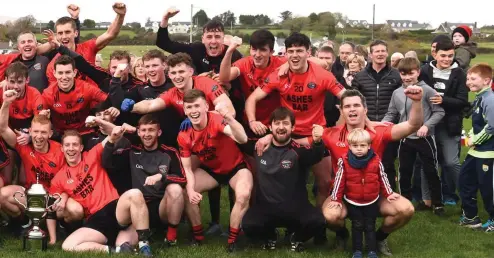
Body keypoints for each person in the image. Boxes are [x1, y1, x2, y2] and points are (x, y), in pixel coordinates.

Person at [321, 89, 421, 256]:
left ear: (365, 110)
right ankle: (342, 235)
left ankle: (379, 237)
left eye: (356, 105)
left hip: (374, 192)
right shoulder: (332, 134)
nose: (352, 109)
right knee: (330, 216)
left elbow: (413, 125)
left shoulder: (379, 131)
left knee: (406, 210)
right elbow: (303, 140)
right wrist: (268, 138)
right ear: (342, 111)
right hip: (343, 194)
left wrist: (417, 102)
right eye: (347, 106)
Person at [49, 128, 152, 256]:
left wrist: (110, 129)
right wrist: (53, 237)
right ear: (62, 148)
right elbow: (52, 210)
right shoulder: (58, 179)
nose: (71, 148)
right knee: (68, 245)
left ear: (81, 147)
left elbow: (111, 137)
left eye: (75, 144)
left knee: (135, 193)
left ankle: (144, 246)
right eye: (67, 145)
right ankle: (116, 250)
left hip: (115, 209)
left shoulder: (91, 155)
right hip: (95, 221)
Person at [0, 90, 83, 245]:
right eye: (36, 131)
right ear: (30, 132)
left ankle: (63, 227)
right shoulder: (24, 146)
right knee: (2, 195)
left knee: (75, 211)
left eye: (43, 132)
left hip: (55, 197)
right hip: (32, 196)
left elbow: (71, 176)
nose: (39, 136)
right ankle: (23, 223)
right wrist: (6, 103)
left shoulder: (61, 150)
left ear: (50, 133)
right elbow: (3, 128)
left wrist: (62, 199)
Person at [241, 107, 326, 252]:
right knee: (248, 225)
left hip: (296, 208)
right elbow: (239, 139)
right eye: (277, 123)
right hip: (266, 208)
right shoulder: (259, 147)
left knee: (318, 222)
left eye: (285, 124)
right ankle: (270, 236)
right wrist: (225, 118)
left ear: (292, 127)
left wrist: (317, 142)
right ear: (270, 127)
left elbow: (316, 156)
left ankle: (296, 238)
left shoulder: (298, 150)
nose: (281, 127)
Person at [178, 89, 252, 252]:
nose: (193, 111)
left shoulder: (216, 120)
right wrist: (191, 190)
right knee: (184, 191)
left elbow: (242, 138)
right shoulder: (184, 134)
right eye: (189, 107)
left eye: (197, 106)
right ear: (184, 110)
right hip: (211, 170)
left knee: (244, 194)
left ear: (206, 106)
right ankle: (197, 236)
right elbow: (188, 169)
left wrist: (229, 119)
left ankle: (233, 239)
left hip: (236, 167)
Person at [102, 114, 186, 246]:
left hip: (162, 208)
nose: (147, 134)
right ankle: (146, 236)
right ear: (139, 132)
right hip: (139, 207)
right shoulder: (131, 151)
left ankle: (171, 236)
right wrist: (111, 140)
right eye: (144, 130)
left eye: (151, 130)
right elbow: (108, 163)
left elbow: (182, 179)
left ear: (159, 132)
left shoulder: (169, 152)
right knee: (122, 244)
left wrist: (161, 176)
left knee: (175, 189)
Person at [382, 57, 445, 215]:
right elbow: (391, 113)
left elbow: (439, 112)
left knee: (431, 171)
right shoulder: (397, 93)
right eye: (403, 74)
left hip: (425, 139)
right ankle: (405, 202)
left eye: (411, 73)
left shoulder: (427, 90)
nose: (407, 77)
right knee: (404, 171)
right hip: (406, 139)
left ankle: (437, 203)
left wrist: (426, 126)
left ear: (418, 72)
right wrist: (381, 127)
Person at [156, 7, 244, 120]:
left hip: (230, 105)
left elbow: (243, 83)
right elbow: (163, 43)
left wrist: (229, 85)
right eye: (209, 37)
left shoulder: (233, 54)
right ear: (203, 39)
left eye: (217, 37)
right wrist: (165, 19)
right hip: (200, 104)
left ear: (223, 38)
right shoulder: (196, 49)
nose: (213, 41)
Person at [329, 128, 398, 258]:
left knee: (370, 225)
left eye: (362, 145)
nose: (359, 149)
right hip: (353, 201)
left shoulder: (376, 160)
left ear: (369, 146)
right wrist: (335, 199)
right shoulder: (344, 161)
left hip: (371, 200)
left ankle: (372, 250)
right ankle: (357, 251)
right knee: (357, 225)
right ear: (349, 146)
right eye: (355, 146)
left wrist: (389, 193)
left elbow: (383, 177)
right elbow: (339, 181)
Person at [419, 40, 469, 206]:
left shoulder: (459, 73)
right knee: (428, 161)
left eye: (450, 56)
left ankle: (465, 194)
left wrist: (443, 100)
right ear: (435, 54)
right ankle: (428, 198)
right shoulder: (425, 70)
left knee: (450, 162)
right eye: (443, 56)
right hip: (428, 122)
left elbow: (462, 101)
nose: (447, 59)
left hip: (449, 124)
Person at [352, 40, 402, 191]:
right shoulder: (360, 76)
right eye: (377, 51)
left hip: (389, 126)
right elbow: (353, 98)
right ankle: (367, 193)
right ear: (370, 55)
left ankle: (390, 194)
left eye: (383, 51)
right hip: (367, 125)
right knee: (365, 160)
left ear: (387, 53)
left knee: (387, 162)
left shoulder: (396, 75)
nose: (380, 54)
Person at [124, 52, 235, 118]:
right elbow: (150, 105)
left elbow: (230, 111)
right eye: (173, 73)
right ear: (169, 75)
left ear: (191, 72)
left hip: (219, 133)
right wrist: (132, 107)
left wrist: (197, 117)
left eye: (181, 72)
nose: (177, 76)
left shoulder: (206, 83)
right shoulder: (172, 93)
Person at [45, 3, 126, 85]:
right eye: (60, 33)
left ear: (76, 33)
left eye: (67, 32)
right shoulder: (52, 66)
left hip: (95, 96)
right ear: (56, 36)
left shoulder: (88, 47)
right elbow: (55, 92)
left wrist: (120, 15)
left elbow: (110, 34)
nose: (64, 36)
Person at [41, 55, 109, 147]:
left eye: (68, 72)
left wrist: (101, 116)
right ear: (54, 73)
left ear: (74, 72)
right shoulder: (48, 94)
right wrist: (42, 116)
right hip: (60, 134)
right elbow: (39, 119)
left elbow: (109, 100)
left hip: (85, 132)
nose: (64, 77)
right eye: (60, 73)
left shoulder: (86, 88)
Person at [459, 63, 494, 232]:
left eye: (473, 79)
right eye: (468, 78)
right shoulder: (479, 97)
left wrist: (475, 140)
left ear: (486, 80)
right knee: (465, 181)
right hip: (476, 152)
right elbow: (478, 123)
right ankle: (471, 217)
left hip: (487, 152)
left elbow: (492, 127)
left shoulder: (490, 99)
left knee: (488, 189)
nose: (468, 82)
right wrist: (471, 136)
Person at [0, 62, 45, 185]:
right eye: (12, 81)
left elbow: (40, 122)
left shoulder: (34, 94)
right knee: (7, 180)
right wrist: (6, 103)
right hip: (8, 138)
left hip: (29, 140)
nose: (15, 86)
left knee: (24, 181)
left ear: (27, 80)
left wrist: (30, 136)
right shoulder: (1, 91)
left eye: (20, 82)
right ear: (6, 80)